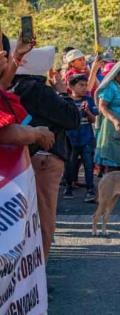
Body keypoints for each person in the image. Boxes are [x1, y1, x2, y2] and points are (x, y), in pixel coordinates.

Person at [12, 44, 81, 260]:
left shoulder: (11, 88)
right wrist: (63, 93)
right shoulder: (38, 90)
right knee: (44, 217)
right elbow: (72, 119)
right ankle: (38, 274)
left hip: (19, 159)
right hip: (45, 158)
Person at [63, 74, 98, 201]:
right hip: (71, 138)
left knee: (89, 164)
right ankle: (68, 186)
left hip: (86, 138)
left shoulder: (88, 100)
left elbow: (93, 119)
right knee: (70, 163)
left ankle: (90, 189)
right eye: (80, 85)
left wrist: (87, 111)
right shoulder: (66, 101)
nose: (84, 88)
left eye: (85, 85)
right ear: (71, 86)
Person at [94, 61, 120, 172]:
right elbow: (102, 106)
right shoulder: (111, 86)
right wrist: (114, 120)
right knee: (112, 162)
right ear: (116, 73)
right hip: (111, 126)